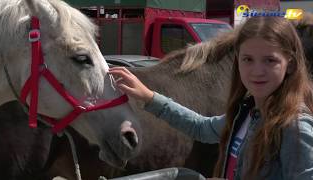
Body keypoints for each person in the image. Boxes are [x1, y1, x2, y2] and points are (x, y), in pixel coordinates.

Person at [109, 16, 313, 180]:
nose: (257, 71)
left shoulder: (295, 128)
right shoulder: (248, 113)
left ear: (291, 64)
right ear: (237, 62)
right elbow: (201, 128)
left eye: (270, 60)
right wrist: (149, 97)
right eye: (248, 59)